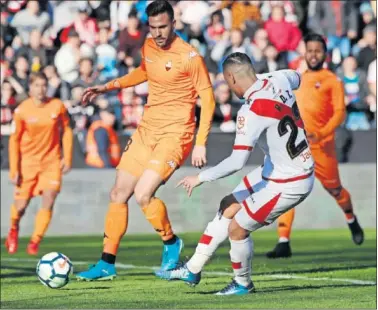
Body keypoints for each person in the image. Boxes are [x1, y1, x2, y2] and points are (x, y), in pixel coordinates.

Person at [76, 0, 215, 281]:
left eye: (163, 27)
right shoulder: (149, 46)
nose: (158, 33)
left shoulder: (190, 56)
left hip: (176, 133)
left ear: (174, 24)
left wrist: (201, 141)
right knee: (118, 194)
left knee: (143, 194)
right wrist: (108, 86)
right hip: (146, 130)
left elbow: (209, 98)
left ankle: (171, 241)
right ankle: (106, 263)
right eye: (153, 28)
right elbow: (144, 72)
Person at [156, 52, 314, 295]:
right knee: (229, 204)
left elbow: (237, 162)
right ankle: (193, 268)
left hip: (289, 182)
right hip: (277, 169)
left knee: (237, 229)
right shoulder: (278, 78)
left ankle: (242, 284)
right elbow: (297, 77)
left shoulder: (249, 113)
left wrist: (200, 177)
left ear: (230, 77)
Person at [266, 34, 364, 259]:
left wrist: (320, 133)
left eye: (317, 51)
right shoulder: (297, 79)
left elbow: (340, 113)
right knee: (288, 189)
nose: (313, 55)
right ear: (304, 52)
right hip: (297, 147)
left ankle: (351, 219)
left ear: (325, 54)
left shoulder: (332, 80)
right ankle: (283, 242)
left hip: (322, 147)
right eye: (309, 50)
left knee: (335, 190)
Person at [5, 72, 73, 255]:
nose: (40, 89)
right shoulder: (22, 110)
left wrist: (67, 157)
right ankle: (13, 228)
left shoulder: (57, 106)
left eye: (44, 85)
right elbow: (14, 140)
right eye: (36, 85)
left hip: (51, 162)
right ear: (30, 88)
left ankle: (35, 241)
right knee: (21, 206)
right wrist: (14, 168)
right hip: (28, 163)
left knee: (49, 198)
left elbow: (67, 130)